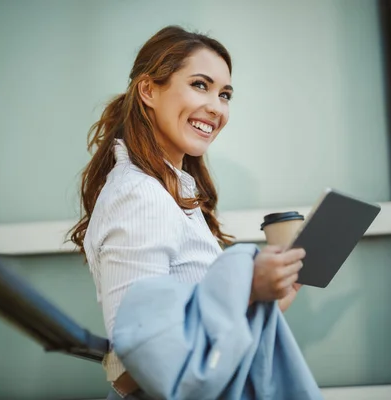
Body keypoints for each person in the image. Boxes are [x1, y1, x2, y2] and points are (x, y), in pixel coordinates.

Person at [69, 25, 307, 399]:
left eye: (225, 94)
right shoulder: (140, 196)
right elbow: (139, 351)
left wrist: (269, 296)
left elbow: (196, 327)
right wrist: (244, 286)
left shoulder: (171, 193)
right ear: (148, 90)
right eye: (200, 85)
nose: (216, 107)